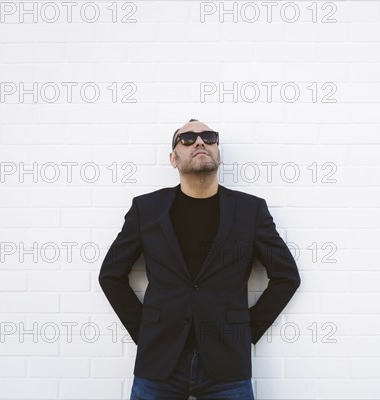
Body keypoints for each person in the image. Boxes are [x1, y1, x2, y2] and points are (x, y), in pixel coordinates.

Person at [99, 119, 301, 399]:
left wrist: (245, 331)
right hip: (159, 362)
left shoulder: (250, 210)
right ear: (173, 158)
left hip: (228, 365)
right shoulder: (146, 209)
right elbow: (110, 275)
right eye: (187, 138)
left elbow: (287, 276)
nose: (200, 142)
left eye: (209, 137)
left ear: (218, 152)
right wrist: (145, 331)